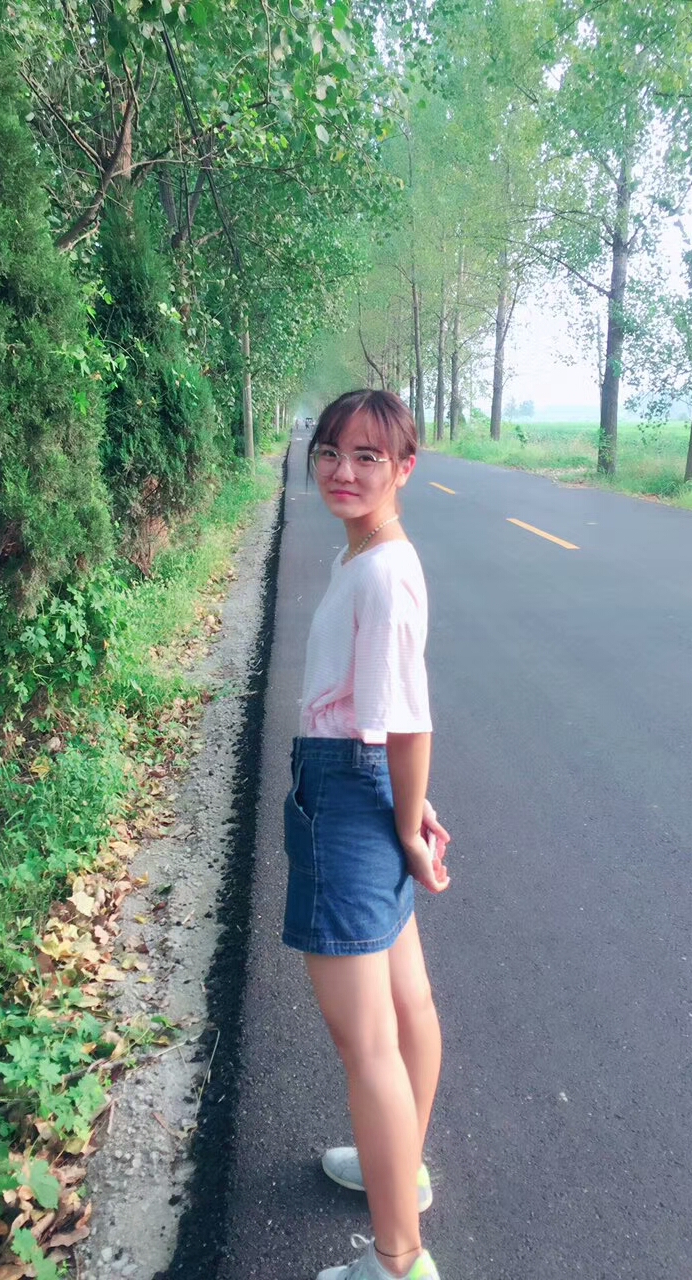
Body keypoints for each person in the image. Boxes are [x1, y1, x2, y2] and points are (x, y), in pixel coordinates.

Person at [283, 389, 451, 1280]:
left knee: (367, 1041)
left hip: (346, 793)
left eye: (368, 457)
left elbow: (410, 721)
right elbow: (391, 717)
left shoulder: (381, 572)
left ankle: (396, 1261)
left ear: (404, 468)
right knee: (407, 1003)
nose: (342, 471)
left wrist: (406, 827)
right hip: (366, 781)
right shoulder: (369, 555)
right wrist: (408, 806)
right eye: (330, 452)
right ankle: (402, 1167)